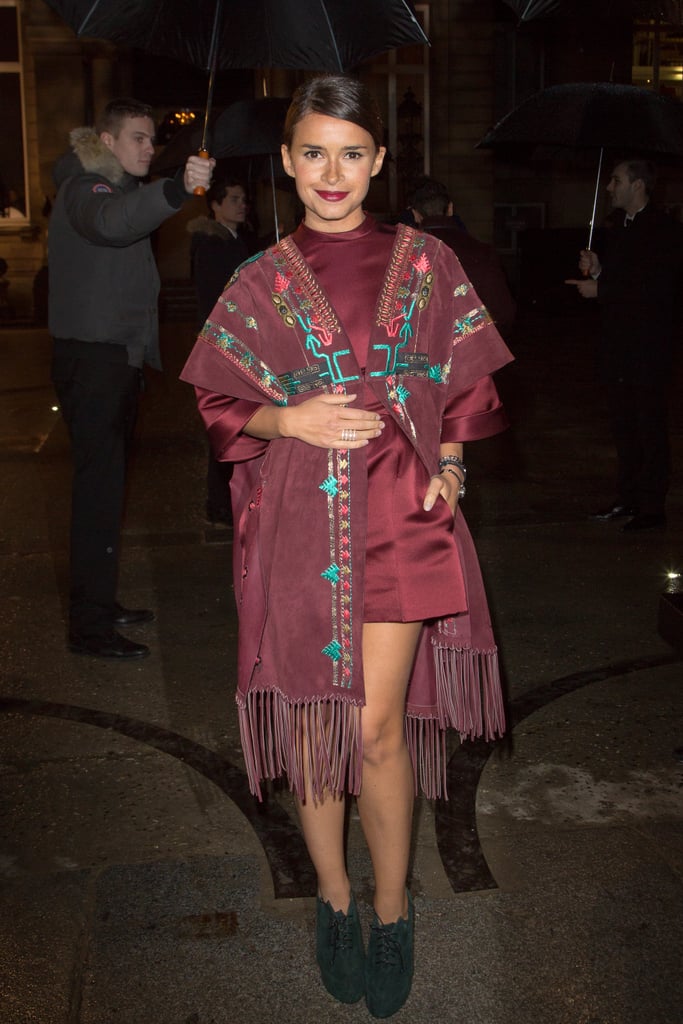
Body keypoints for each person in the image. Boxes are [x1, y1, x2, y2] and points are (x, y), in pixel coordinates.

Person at [181, 75, 512, 1018]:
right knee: (319, 726)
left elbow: (464, 379)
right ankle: (333, 898)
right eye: (314, 152)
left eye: (352, 152)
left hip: (403, 521)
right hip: (297, 525)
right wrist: (285, 416)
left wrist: (451, 462)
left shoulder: (428, 262)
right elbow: (216, 401)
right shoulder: (258, 279)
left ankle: (395, 904)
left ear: (377, 161)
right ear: (286, 161)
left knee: (376, 725)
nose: (333, 172)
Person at [49, 97, 214, 659]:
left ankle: (99, 602)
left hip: (112, 359)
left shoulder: (113, 187)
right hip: (92, 363)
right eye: (138, 138)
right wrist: (174, 190)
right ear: (108, 140)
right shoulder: (86, 188)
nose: (149, 147)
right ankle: (89, 626)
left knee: (109, 489)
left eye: (152, 138)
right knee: (97, 493)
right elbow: (114, 226)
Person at [565, 158, 683, 531]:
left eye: (617, 181)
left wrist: (603, 288)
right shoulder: (621, 228)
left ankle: (651, 507)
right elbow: (628, 278)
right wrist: (599, 268)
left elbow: (660, 289)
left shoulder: (665, 230)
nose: (610, 187)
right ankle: (628, 498)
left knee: (649, 427)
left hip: (648, 350)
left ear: (638, 185)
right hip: (619, 348)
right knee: (624, 427)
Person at [188, 177, 251, 525]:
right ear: (215, 204)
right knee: (225, 422)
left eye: (243, 198)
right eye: (233, 197)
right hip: (223, 346)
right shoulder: (213, 244)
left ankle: (226, 498)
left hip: (234, 343)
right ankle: (220, 502)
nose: (241, 204)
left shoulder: (234, 240)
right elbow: (218, 299)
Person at [410, 175, 516, 338]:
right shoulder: (482, 252)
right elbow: (503, 314)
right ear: (450, 209)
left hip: (417, 357)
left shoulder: (401, 254)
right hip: (471, 353)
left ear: (416, 214)